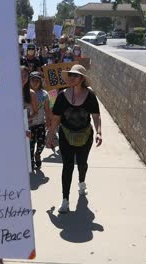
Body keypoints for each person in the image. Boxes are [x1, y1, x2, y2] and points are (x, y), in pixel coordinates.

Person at [46, 64, 102, 214]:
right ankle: (65, 199)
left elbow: (96, 116)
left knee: (82, 163)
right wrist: (50, 136)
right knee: (68, 166)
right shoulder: (62, 96)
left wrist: (99, 132)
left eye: (75, 75)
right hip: (66, 135)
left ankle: (82, 182)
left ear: (82, 78)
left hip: (85, 135)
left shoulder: (90, 95)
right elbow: (56, 119)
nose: (71, 78)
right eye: (70, 75)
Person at [28, 71, 51, 170]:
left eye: (37, 80)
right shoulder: (24, 93)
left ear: (41, 81)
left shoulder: (44, 94)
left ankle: (38, 155)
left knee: (41, 144)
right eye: (33, 80)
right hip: (29, 124)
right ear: (29, 81)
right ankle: (31, 160)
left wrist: (48, 121)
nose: (35, 82)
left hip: (41, 123)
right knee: (30, 145)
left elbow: (47, 109)